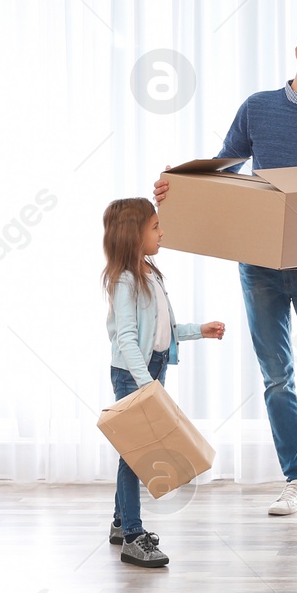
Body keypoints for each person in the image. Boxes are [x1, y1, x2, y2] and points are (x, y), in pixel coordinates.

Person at [154, 21, 297, 523]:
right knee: (277, 378)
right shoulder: (258, 108)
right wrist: (176, 190)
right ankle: (296, 480)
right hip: (259, 266)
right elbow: (222, 171)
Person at [103, 198, 225, 567]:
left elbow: (163, 332)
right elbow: (125, 338)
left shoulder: (150, 274)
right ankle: (134, 537)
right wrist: (145, 385)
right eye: (155, 227)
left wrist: (198, 331)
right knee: (135, 454)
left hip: (151, 371)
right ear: (133, 234)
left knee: (132, 449)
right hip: (133, 374)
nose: (161, 233)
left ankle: (121, 522)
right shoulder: (125, 281)